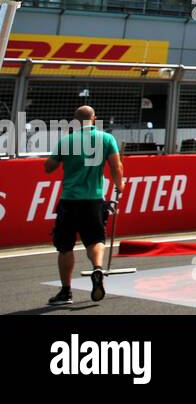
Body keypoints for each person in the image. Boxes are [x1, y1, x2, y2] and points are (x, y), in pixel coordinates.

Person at [45, 106, 124, 306]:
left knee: (65, 246)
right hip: (94, 199)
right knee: (95, 239)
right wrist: (119, 185)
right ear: (94, 118)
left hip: (70, 200)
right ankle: (97, 267)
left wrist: (61, 160)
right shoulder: (107, 139)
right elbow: (116, 166)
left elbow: (49, 167)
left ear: (75, 121)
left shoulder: (66, 140)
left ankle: (66, 292)